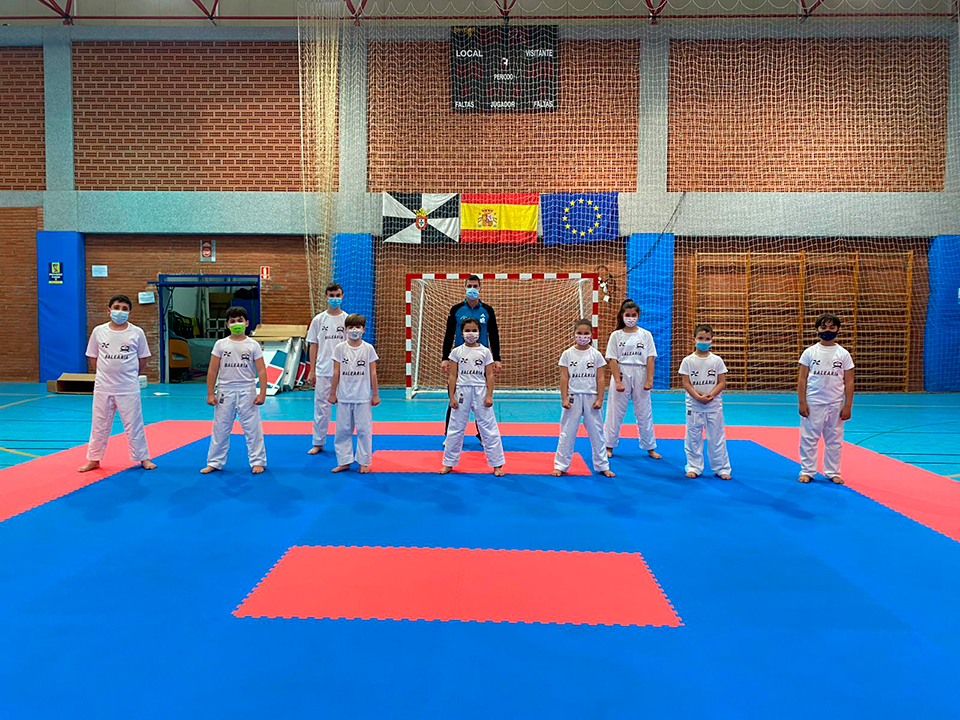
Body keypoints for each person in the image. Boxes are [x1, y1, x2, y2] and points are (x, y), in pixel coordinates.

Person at [78, 294, 157, 472]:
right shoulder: (99, 331)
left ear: (130, 313)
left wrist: (131, 375)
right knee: (99, 424)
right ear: (109, 311)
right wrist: (104, 373)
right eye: (116, 308)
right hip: (103, 387)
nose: (120, 312)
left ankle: (143, 458)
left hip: (128, 387)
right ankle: (94, 459)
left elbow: (142, 359)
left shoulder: (136, 332)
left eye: (124, 309)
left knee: (134, 424)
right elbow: (93, 356)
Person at [200, 307, 268, 475]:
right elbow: (212, 370)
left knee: (252, 428)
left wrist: (262, 393)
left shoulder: (253, 345)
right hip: (225, 389)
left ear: (247, 323)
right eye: (232, 321)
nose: (236, 324)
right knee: (220, 428)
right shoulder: (221, 344)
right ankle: (214, 462)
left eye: (240, 320)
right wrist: (210, 393)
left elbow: (261, 370)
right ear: (227, 325)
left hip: (247, 389)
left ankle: (257, 461)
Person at [441, 317, 505, 476]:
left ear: (479, 333)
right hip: (462, 391)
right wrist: (451, 397)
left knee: (488, 428)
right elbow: (452, 376)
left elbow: (489, 375)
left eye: (474, 330)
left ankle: (497, 464)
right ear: (462, 333)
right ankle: (449, 463)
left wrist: (489, 395)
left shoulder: (485, 351)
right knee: (455, 428)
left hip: (480, 391)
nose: (471, 333)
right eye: (467, 331)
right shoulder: (456, 352)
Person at [440, 275, 501, 440]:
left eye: (475, 286)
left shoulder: (487, 310)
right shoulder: (456, 310)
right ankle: (449, 435)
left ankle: (483, 435)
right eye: (469, 286)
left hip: (481, 359)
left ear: (480, 288)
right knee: (454, 396)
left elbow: (494, 335)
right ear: (465, 288)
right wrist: (445, 357)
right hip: (460, 359)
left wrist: (497, 358)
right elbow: (449, 335)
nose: (472, 289)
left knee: (482, 399)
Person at [552, 319, 614, 478]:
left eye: (586, 333)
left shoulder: (596, 355)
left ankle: (602, 465)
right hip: (573, 397)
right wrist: (564, 398)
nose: (582, 336)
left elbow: (601, 378)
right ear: (574, 334)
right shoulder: (567, 354)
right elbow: (564, 378)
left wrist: (600, 399)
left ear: (591, 335)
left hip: (591, 398)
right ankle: (560, 465)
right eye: (579, 333)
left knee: (597, 433)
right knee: (567, 432)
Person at [798, 313, 854, 484]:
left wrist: (847, 405)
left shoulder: (843, 354)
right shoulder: (810, 352)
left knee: (834, 440)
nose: (827, 330)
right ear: (817, 329)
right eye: (823, 327)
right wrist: (802, 402)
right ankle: (807, 471)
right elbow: (802, 379)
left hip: (835, 403)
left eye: (831, 327)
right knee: (809, 438)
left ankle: (832, 472)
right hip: (814, 402)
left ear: (838, 330)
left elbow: (849, 380)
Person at [603, 299, 661, 460]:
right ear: (622, 315)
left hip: (641, 372)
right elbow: (612, 359)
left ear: (638, 315)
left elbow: (650, 358)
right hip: (622, 371)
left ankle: (650, 447)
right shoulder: (616, 335)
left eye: (633, 315)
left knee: (644, 411)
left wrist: (649, 380)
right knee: (614, 411)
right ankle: (608, 445)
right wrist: (617, 381)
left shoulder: (645, 335)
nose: (630, 318)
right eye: (627, 315)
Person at [678, 324, 731, 480]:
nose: (703, 341)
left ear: (712, 340)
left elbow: (722, 382)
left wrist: (711, 395)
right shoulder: (688, 361)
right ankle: (693, 466)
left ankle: (722, 468)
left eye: (707, 339)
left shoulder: (717, 360)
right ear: (694, 339)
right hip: (694, 405)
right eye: (700, 338)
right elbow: (686, 383)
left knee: (716, 437)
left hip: (713, 405)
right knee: (693, 437)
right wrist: (697, 396)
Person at [329, 314, 380, 473]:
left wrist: (375, 394)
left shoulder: (368, 348)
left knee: (364, 430)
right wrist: (332, 393)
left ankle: (364, 462)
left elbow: (373, 373)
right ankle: (344, 461)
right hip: (344, 396)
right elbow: (336, 372)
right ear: (345, 330)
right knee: (342, 430)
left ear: (363, 329)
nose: (354, 330)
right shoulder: (340, 348)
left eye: (358, 327)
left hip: (363, 397)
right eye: (351, 327)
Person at [306, 282, 346, 454]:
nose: (335, 299)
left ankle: (343, 444)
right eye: (332, 296)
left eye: (337, 296)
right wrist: (312, 370)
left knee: (345, 410)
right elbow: (313, 345)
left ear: (342, 296)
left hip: (344, 372)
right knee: (321, 408)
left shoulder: (347, 319)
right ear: (326, 297)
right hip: (323, 370)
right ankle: (318, 442)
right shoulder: (318, 320)